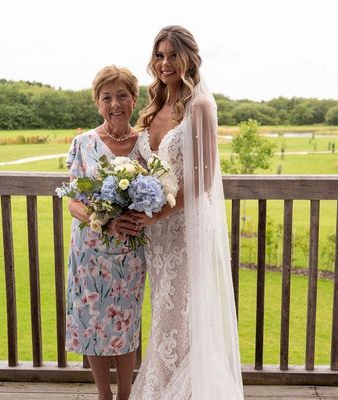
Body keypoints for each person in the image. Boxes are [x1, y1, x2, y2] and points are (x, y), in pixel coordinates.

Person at [128, 26, 244, 399]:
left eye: (173, 55)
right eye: (159, 55)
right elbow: (143, 166)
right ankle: (163, 383)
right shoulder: (154, 107)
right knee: (164, 311)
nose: (165, 63)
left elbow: (204, 180)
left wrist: (157, 214)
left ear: (189, 58)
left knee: (183, 312)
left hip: (185, 227)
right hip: (156, 233)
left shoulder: (201, 107)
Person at [65, 65, 146, 400]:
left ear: (134, 99)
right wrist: (103, 221)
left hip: (130, 251)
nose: (115, 104)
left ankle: (125, 395)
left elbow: (158, 193)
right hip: (89, 251)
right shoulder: (83, 143)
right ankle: (104, 395)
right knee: (93, 323)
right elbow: (73, 202)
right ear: (97, 102)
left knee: (126, 323)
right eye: (106, 97)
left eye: (122, 96)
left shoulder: (146, 145)